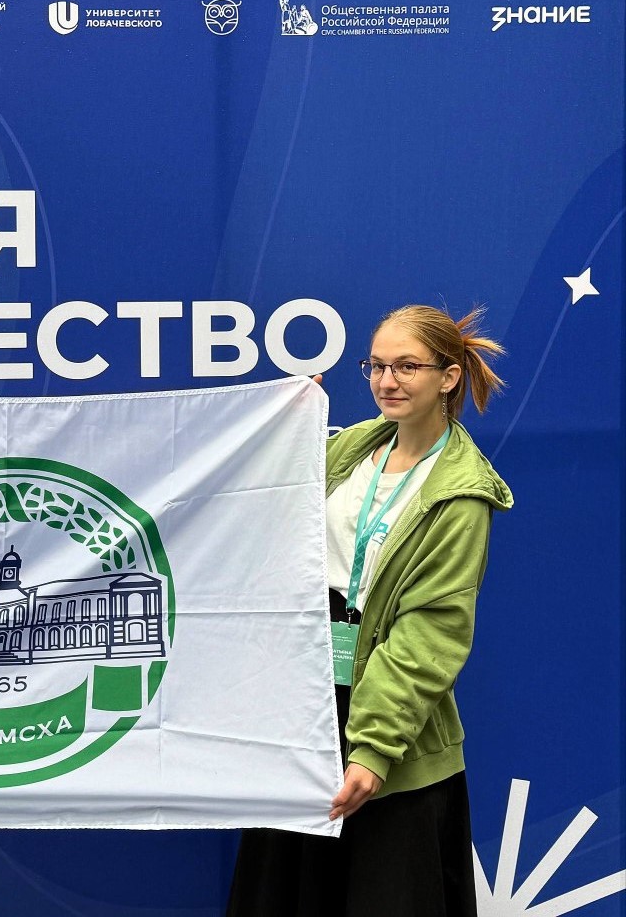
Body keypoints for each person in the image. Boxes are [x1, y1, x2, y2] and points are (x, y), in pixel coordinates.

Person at [227, 304, 513, 917]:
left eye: (407, 366)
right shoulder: (349, 452)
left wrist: (373, 748)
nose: (387, 381)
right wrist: (282, 422)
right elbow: (253, 499)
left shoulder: (459, 496)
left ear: (449, 377)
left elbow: (429, 633)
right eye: (377, 366)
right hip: (304, 719)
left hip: (389, 737)